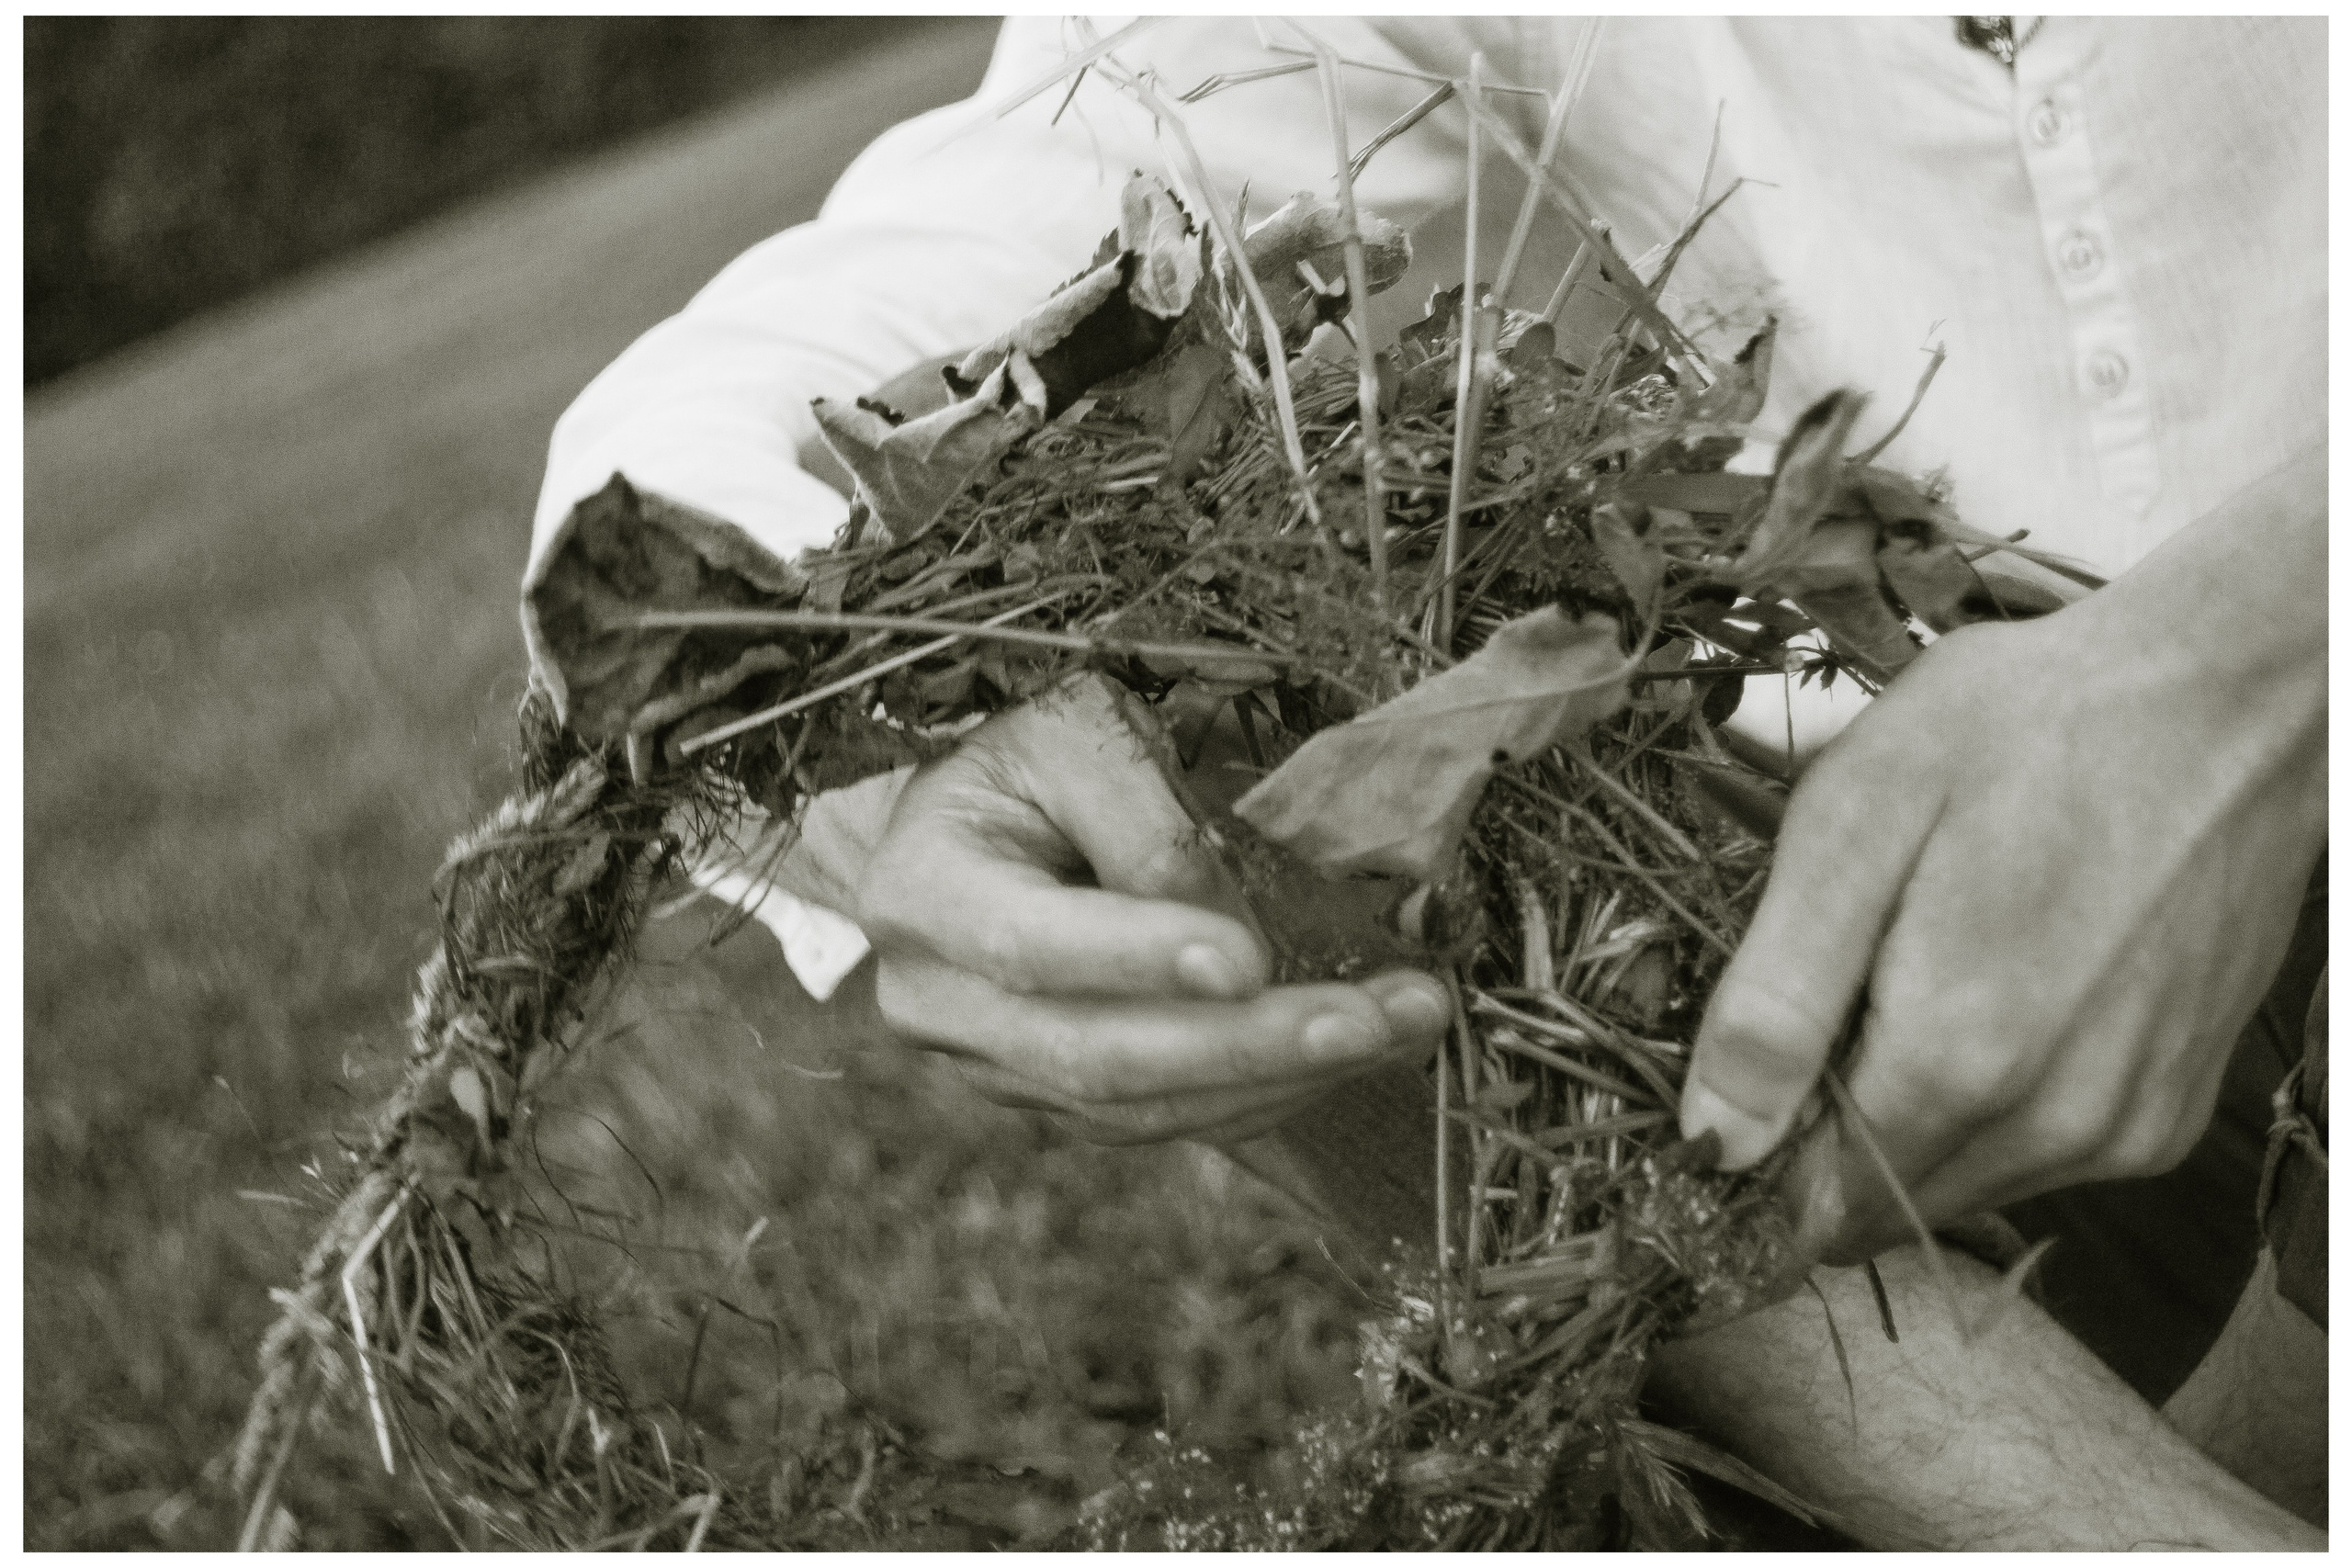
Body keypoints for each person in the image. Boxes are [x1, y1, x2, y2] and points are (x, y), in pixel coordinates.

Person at [526, 17, 2325, 1547]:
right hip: (1913, 869)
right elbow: (961, 232)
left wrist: (2255, 650)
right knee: (1201, 757)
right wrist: (823, 701)